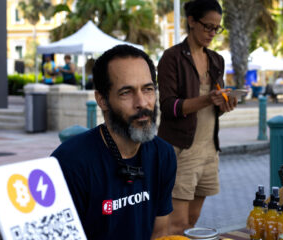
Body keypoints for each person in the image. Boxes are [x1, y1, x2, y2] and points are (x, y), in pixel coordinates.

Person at [51, 45, 176, 239]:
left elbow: (159, 233)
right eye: (126, 92)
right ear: (102, 99)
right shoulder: (69, 163)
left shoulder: (164, 154)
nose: (142, 102)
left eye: (148, 89)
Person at [157, 0, 237, 234]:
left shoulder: (216, 60)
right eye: (207, 26)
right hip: (181, 150)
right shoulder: (171, 58)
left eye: (217, 28)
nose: (212, 33)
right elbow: (168, 107)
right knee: (176, 224)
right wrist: (207, 99)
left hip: (209, 150)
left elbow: (215, 104)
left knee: (191, 222)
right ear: (191, 21)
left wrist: (226, 103)